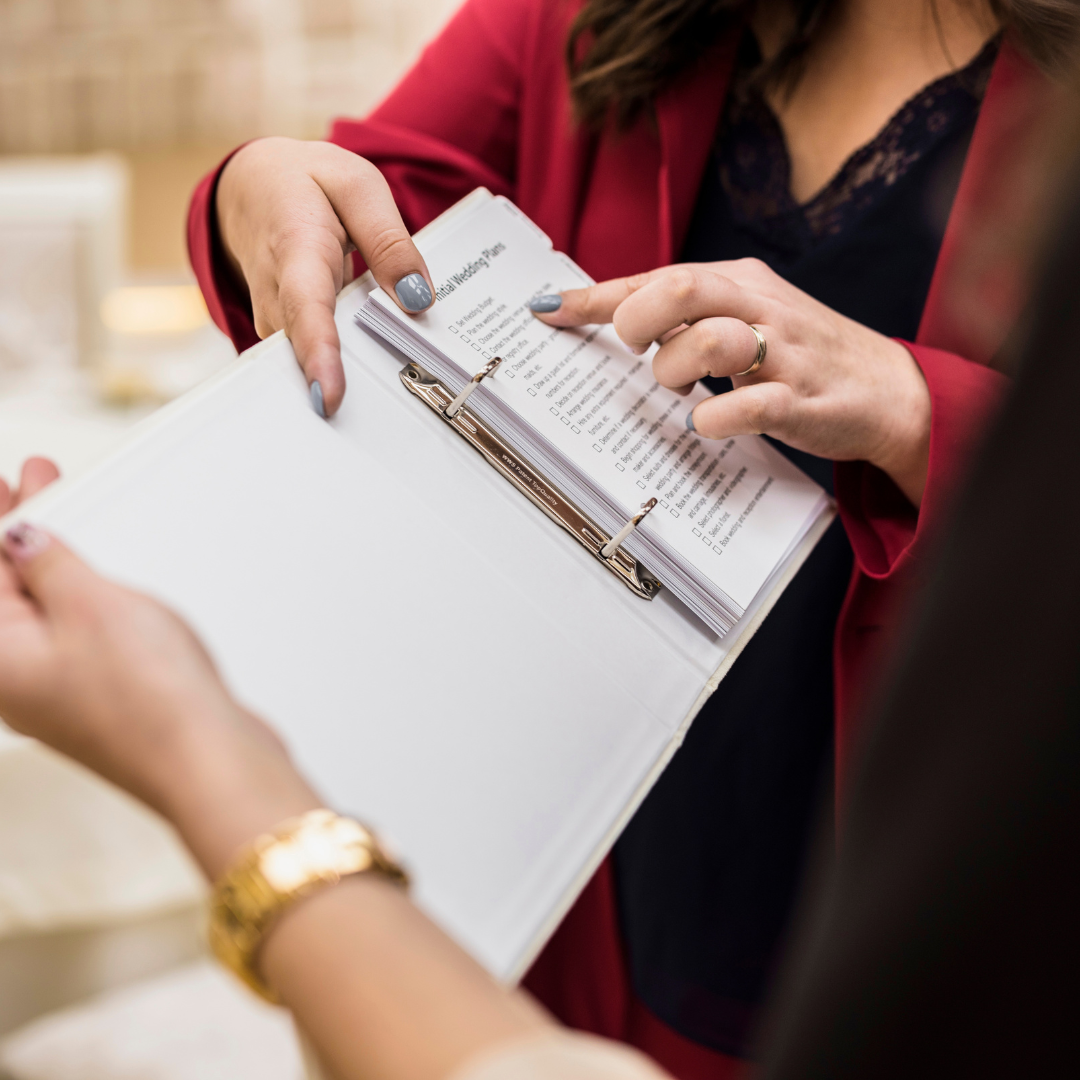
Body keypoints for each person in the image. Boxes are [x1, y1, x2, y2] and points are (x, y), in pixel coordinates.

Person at [187, 0, 1070, 1073]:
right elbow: (365, 209)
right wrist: (257, 191)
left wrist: (919, 407)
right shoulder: (581, 18)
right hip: (593, 876)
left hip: (954, 906)